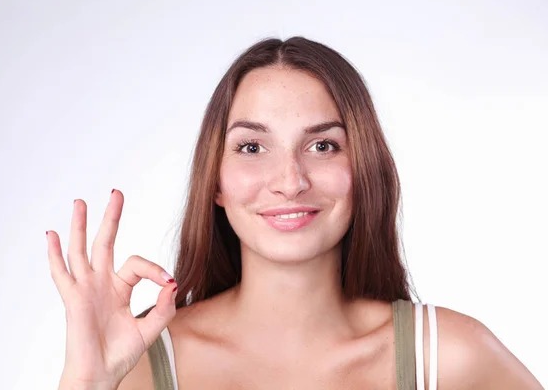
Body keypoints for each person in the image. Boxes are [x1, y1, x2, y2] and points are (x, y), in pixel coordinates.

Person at [46, 36, 543, 390]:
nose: (289, 180)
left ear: (364, 170)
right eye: (251, 147)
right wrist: (85, 385)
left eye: (323, 145)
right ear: (215, 182)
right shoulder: (141, 367)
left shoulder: (448, 359)